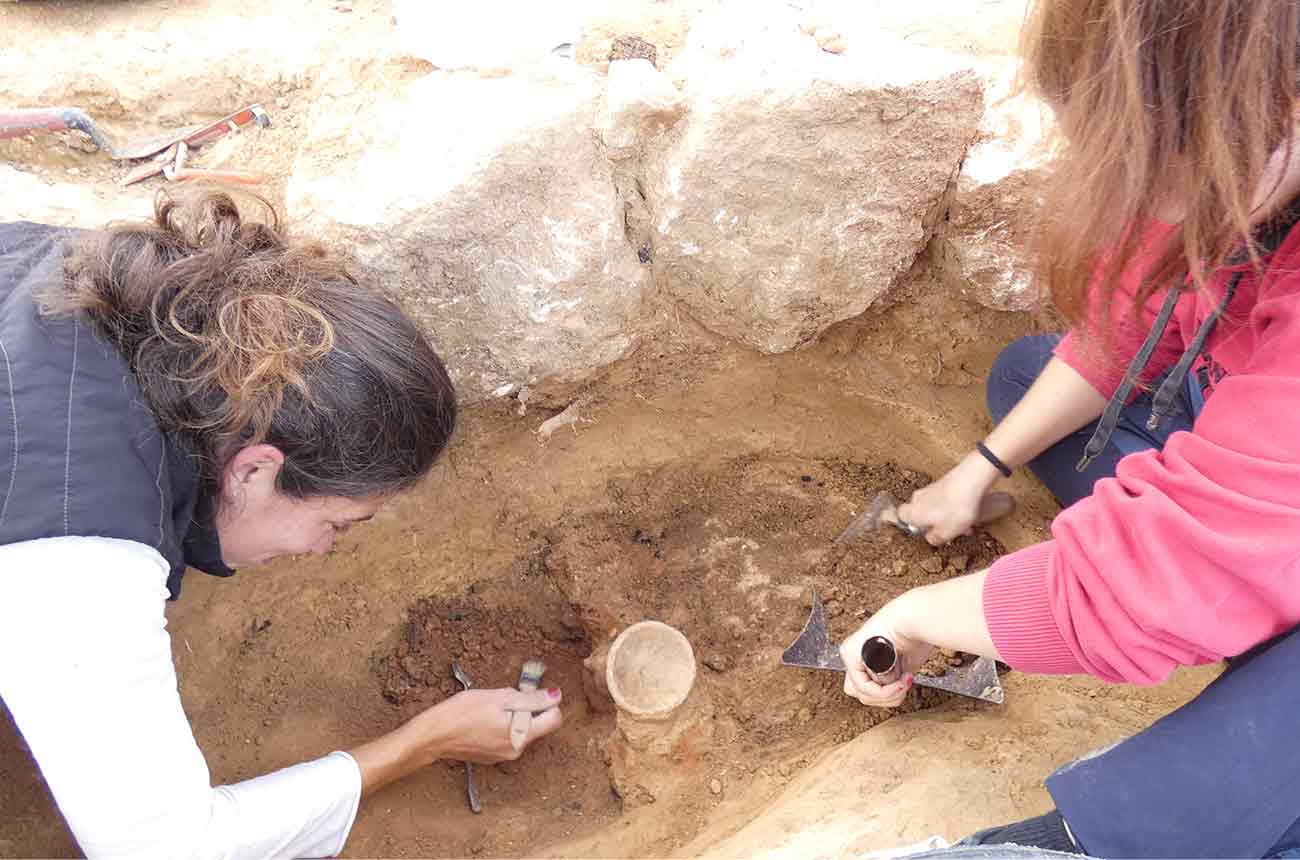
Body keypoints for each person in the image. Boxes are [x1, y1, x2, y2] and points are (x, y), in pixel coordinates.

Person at [838, 1, 1300, 856]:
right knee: (1024, 375)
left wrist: (910, 616)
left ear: (1279, 111)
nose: (1142, 196)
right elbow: (1140, 325)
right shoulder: (1264, 178)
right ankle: (1259, 605)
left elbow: (1147, 584)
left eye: (1160, 157)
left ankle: (1091, 838)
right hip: (1267, 452)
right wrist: (978, 468)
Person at [0, 191, 563, 858]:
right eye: (339, 524)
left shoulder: (103, 283)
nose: (322, 550)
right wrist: (421, 744)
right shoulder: (81, 549)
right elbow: (164, 849)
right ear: (254, 471)